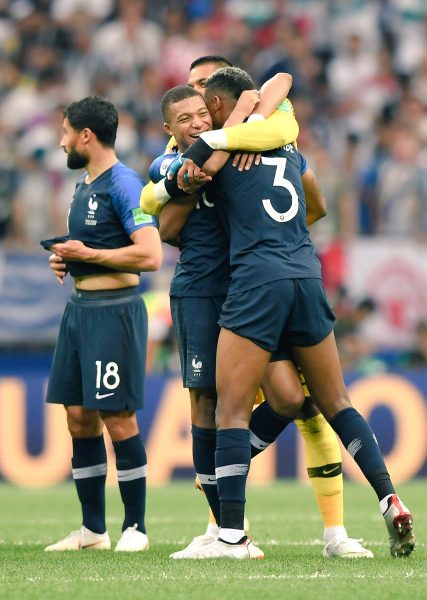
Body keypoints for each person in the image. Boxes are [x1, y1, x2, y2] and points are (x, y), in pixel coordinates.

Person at [160, 66, 416, 560]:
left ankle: (230, 536)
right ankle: (389, 498)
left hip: (255, 281)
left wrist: (210, 150)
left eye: (204, 105)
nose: (201, 115)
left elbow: (178, 199)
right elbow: (314, 197)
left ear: (217, 105)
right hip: (306, 273)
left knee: (229, 409)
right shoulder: (286, 143)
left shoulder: (218, 145)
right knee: (333, 401)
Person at [43, 95, 162, 552]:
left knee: (117, 417)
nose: (61, 141)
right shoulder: (85, 184)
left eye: (66, 132)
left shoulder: (125, 184)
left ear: (86, 136)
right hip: (79, 310)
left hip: (115, 311)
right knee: (78, 416)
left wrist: (89, 256)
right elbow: (94, 247)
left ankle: (136, 527)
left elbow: (149, 255)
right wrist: (68, 262)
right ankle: (93, 530)